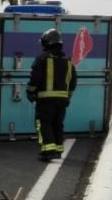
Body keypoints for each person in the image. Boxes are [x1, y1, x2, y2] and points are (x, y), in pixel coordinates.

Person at [27, 28, 78, 162]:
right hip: (62, 100)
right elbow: (73, 81)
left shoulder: (42, 59)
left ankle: (48, 151)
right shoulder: (68, 60)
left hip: (45, 99)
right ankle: (57, 150)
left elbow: (35, 79)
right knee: (57, 123)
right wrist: (68, 96)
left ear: (46, 43)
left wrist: (30, 92)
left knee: (44, 123)